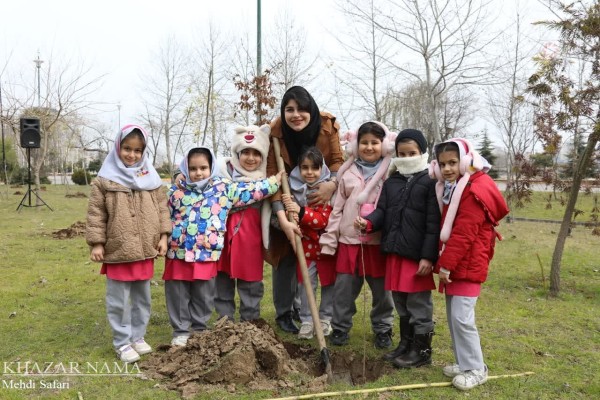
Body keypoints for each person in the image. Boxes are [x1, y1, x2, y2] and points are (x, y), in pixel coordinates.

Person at [164, 146, 282, 347]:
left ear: (211, 167)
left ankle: (199, 328)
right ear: (185, 169)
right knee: (178, 294)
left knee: (204, 294)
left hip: (206, 252)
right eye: (193, 168)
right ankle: (181, 331)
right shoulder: (175, 192)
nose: (198, 173)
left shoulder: (223, 188)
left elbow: (251, 191)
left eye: (203, 167)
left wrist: (274, 182)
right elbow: (160, 214)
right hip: (178, 251)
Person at [86, 124, 171, 363]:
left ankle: (138, 336)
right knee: (118, 301)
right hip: (118, 249)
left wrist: (164, 236)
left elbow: (162, 209)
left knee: (142, 298)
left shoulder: (151, 179)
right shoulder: (104, 181)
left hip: (145, 249)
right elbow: (96, 214)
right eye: (127, 148)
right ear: (117, 147)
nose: (132, 155)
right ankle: (122, 342)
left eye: (137, 150)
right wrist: (97, 243)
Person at [355, 129, 440, 367]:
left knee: (418, 303)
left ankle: (422, 351)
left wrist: (427, 256)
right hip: (394, 251)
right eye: (402, 153)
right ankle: (406, 344)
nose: (407, 157)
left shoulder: (429, 182)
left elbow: (433, 225)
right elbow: (382, 210)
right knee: (400, 302)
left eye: (412, 152)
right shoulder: (392, 181)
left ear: (422, 152)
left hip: (416, 256)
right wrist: (369, 222)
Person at [429, 138, 509, 390]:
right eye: (442, 164)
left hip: (467, 264)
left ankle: (475, 368)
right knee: (455, 317)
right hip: (459, 263)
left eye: (453, 162)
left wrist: (445, 265)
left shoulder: (474, 191)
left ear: (466, 160)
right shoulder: (459, 186)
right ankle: (463, 361)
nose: (447, 169)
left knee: (462, 318)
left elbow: (464, 233)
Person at [265, 85, 344, 334]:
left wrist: (331, 185)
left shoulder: (327, 126)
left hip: (321, 201)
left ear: (311, 109)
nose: (296, 114)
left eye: (301, 108)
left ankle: (312, 313)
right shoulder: (276, 134)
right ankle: (285, 312)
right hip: (287, 203)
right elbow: (272, 177)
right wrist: (284, 219)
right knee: (286, 258)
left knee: (320, 262)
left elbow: (337, 162)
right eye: (289, 110)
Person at [319, 121, 395, 349]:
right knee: (343, 290)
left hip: (377, 243)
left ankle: (383, 328)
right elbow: (337, 209)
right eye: (364, 142)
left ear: (384, 144)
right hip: (348, 242)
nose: (369, 147)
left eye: (375, 142)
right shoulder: (348, 173)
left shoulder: (390, 172)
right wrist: (330, 239)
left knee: (382, 292)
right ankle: (340, 327)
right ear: (356, 145)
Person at [214, 125, 271, 322]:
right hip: (224, 237)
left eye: (256, 153)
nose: (250, 158)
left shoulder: (265, 180)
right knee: (222, 280)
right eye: (245, 152)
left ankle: (250, 321)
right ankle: (224, 320)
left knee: (251, 283)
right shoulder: (221, 175)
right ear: (237, 153)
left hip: (251, 239)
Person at [281, 146, 337, 339]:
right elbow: (293, 218)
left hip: (327, 247)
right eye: (305, 167)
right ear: (298, 169)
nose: (310, 172)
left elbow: (323, 219)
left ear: (322, 168)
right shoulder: (293, 188)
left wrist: (301, 211)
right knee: (306, 283)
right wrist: (292, 216)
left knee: (329, 284)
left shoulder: (328, 191)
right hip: (305, 247)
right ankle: (306, 320)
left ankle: (325, 318)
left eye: (315, 167)